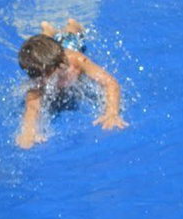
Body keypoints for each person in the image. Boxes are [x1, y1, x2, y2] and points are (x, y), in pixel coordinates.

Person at [16, 18, 127, 149]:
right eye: (35, 75)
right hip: (49, 53)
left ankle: (72, 25)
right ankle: (47, 30)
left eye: (44, 74)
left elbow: (110, 83)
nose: (40, 79)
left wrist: (112, 112)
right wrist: (29, 132)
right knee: (43, 43)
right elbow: (32, 107)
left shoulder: (76, 61)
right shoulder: (39, 74)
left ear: (59, 65)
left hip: (68, 46)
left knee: (71, 35)